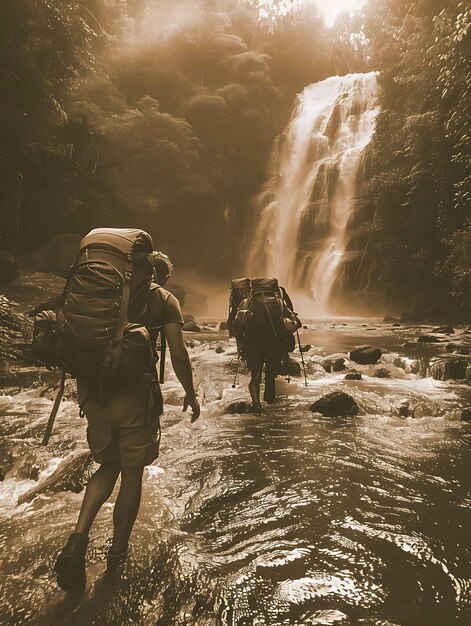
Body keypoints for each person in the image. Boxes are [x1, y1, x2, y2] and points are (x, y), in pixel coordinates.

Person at [55, 250, 200, 592]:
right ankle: (117, 553)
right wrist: (191, 393)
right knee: (132, 473)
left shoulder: (96, 294)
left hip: (96, 396)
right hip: (136, 398)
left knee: (107, 467)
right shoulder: (162, 299)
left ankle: (78, 539)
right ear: (157, 274)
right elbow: (178, 353)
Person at [234, 278, 301, 413]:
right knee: (271, 374)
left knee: (255, 375)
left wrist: (240, 347)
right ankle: (270, 404)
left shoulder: (246, 303)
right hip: (275, 345)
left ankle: (256, 404)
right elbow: (296, 323)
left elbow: (237, 326)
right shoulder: (279, 302)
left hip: (253, 345)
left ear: (254, 288)